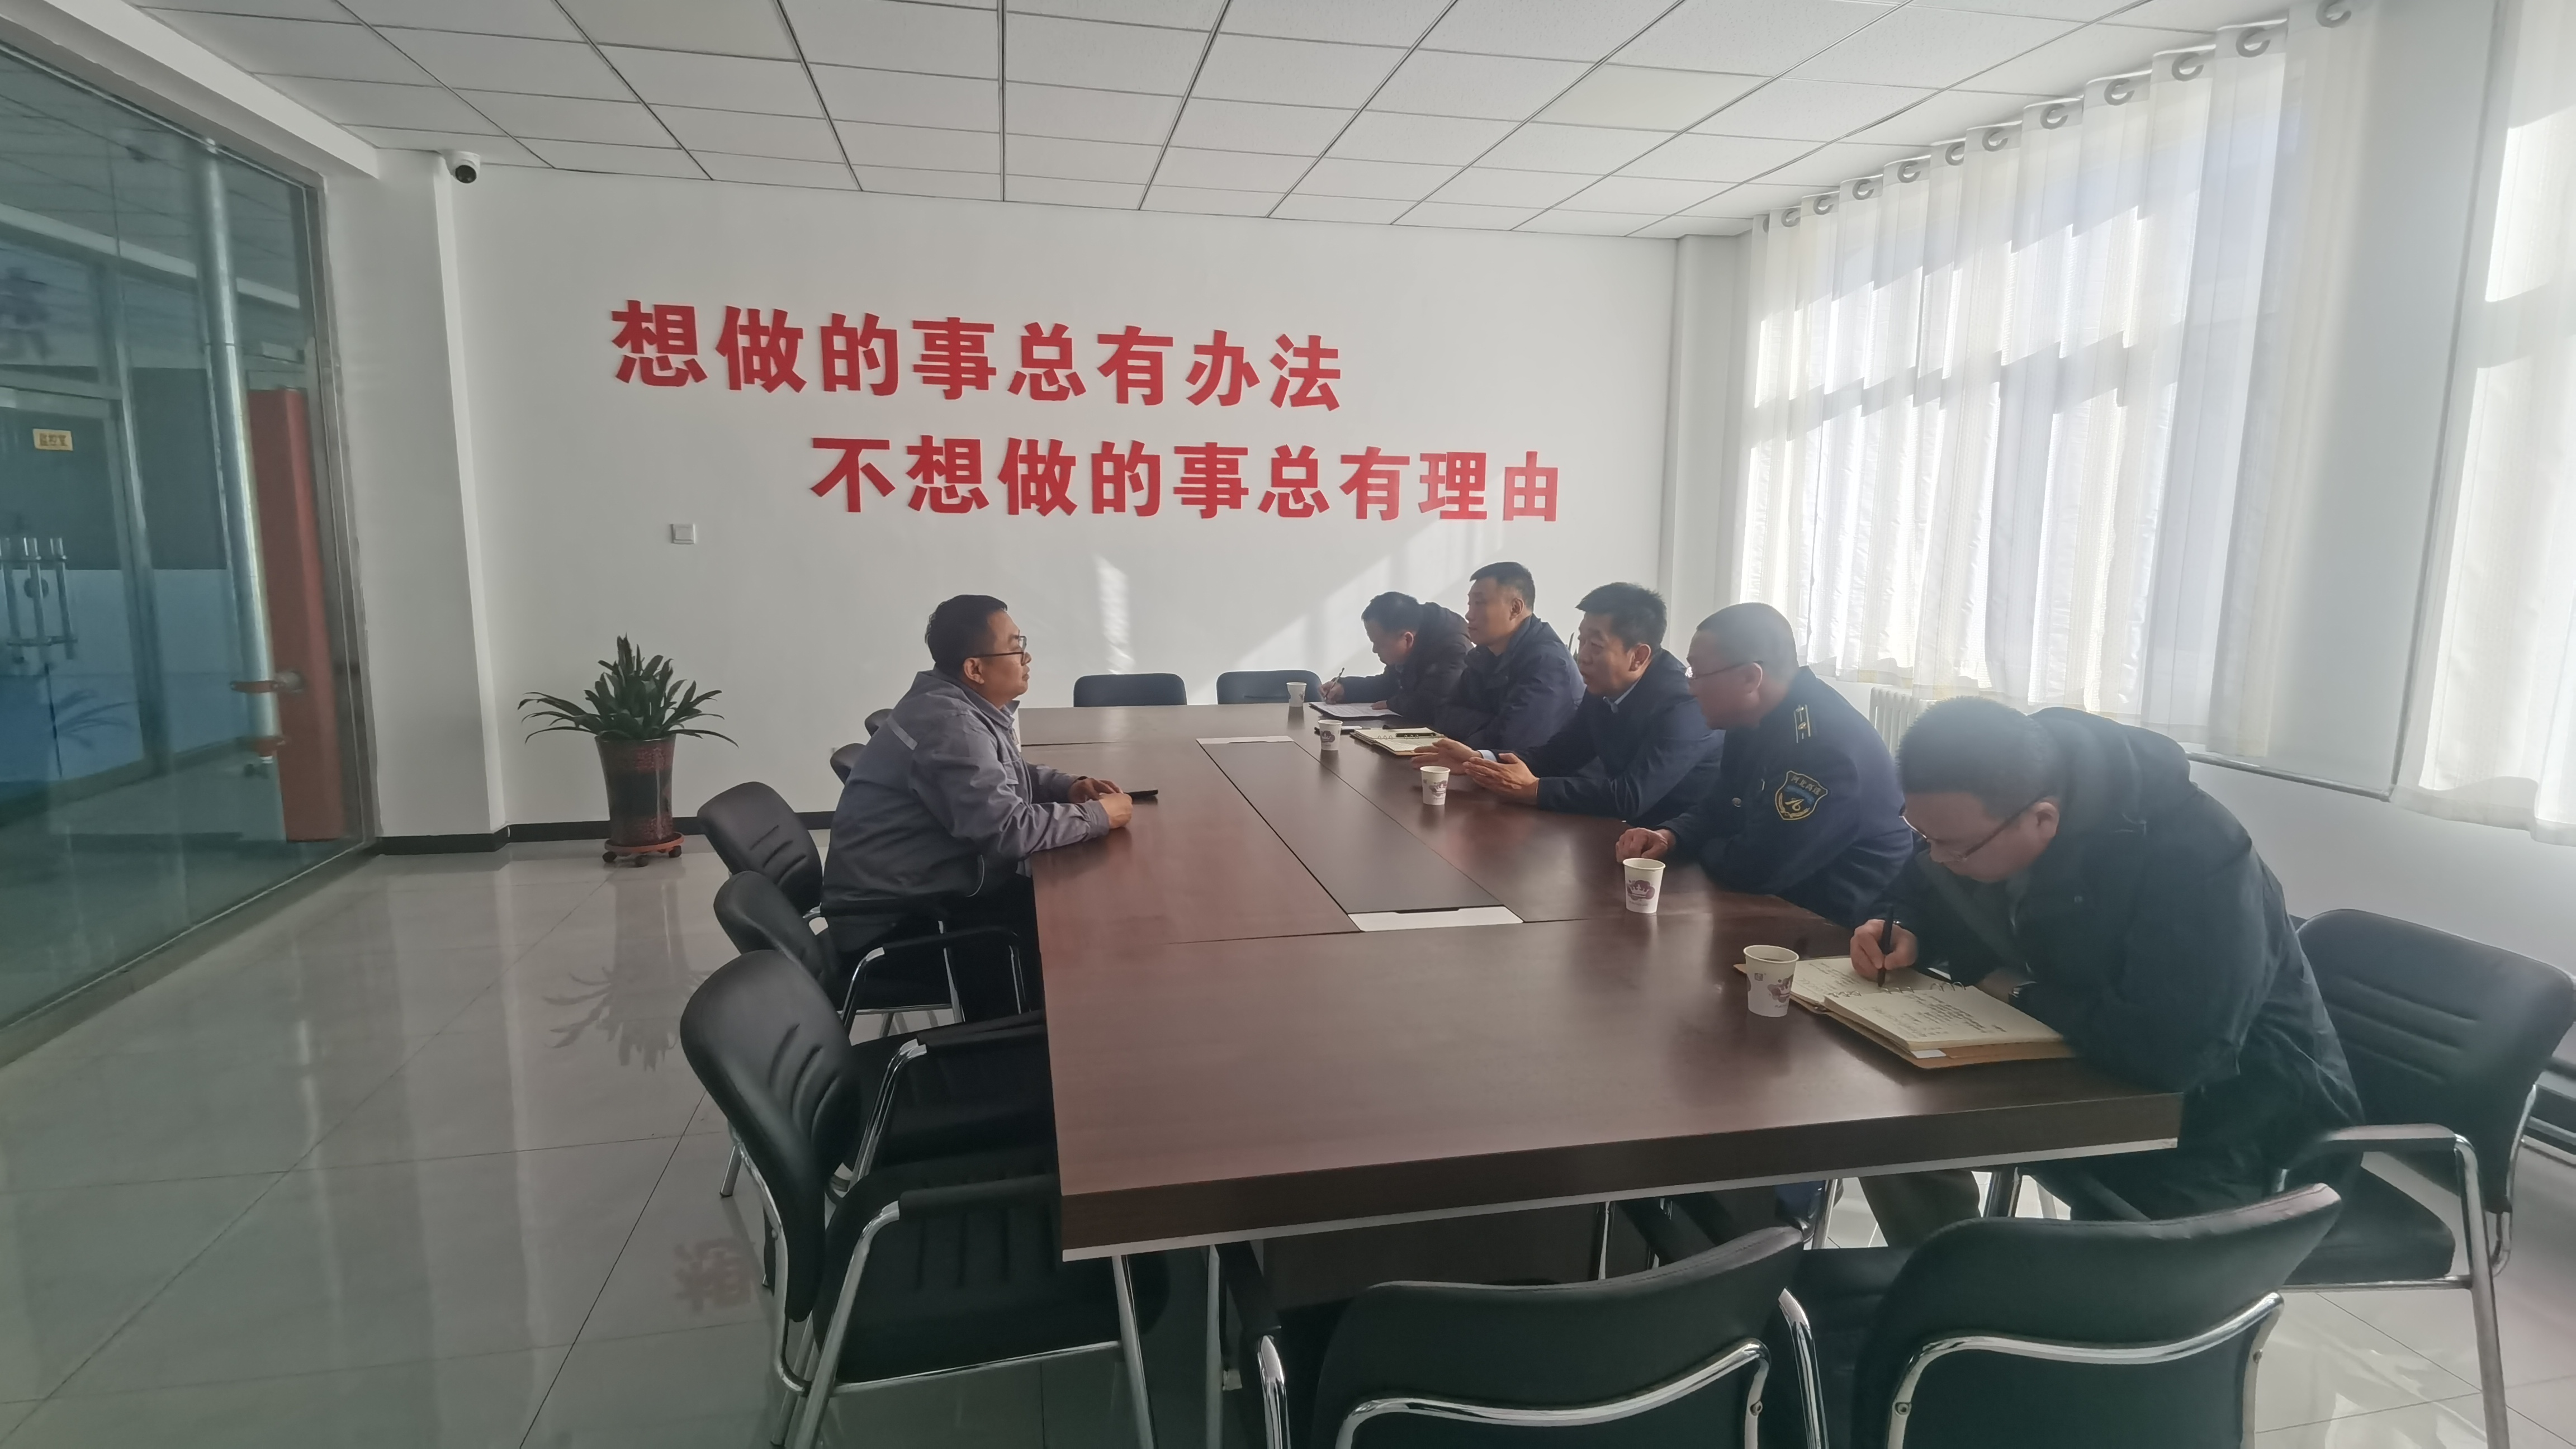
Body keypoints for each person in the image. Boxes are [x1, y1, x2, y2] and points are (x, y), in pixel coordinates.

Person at [1848, 697, 2362, 1243]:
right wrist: (1901, 924)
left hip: (2229, 1121)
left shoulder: (2197, 855)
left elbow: (2175, 1052)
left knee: (2130, 1280)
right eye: (1924, 836)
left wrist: (2017, 991)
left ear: (2042, 819)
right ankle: (1940, 1271)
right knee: (1885, 1125)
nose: (1936, 856)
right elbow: (1920, 886)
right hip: (2072, 1064)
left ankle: (1993, 1283)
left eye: (1951, 847)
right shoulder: (1984, 806)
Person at [823, 595, 1133, 968]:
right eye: (1015, 647)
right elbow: (1008, 832)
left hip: (925, 890)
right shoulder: (950, 724)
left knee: (1071, 899)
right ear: (975, 669)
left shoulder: (955, 704)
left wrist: (1066, 787)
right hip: (897, 924)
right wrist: (1099, 816)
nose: (1027, 658)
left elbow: (1001, 772)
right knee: (1073, 923)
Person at [1614, 603, 1912, 929]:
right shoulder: (1754, 716)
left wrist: (1707, 846)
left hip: (1835, 927)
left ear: (1749, 678)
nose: (1691, 687)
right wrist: (1671, 836)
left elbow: (1755, 869)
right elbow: (1721, 805)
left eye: (1698, 673)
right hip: (1773, 903)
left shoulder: (1821, 749)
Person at [1432, 583, 1720, 826]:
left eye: (1596, 646)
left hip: (1680, 843)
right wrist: (1480, 761)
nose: (1583, 657)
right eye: (1582, 641)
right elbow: (1559, 755)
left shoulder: (1684, 705)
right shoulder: (1603, 685)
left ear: (1638, 656)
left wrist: (1534, 790)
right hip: (1625, 832)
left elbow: (1631, 796)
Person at [1429, 561, 1583, 757]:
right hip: (1483, 766)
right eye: (1470, 604)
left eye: (1480, 603)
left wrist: (1482, 728)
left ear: (1515, 608)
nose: (1469, 615)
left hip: (1541, 774)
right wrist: (1492, 723)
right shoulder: (1484, 654)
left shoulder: (1548, 662)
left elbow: (1510, 744)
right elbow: (1443, 715)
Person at [1319, 591, 1469, 721]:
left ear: (1407, 639)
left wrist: (1393, 704)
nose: (1375, 650)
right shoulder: (1411, 633)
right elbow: (1390, 685)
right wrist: (1346, 689)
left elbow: (1432, 705)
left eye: (1380, 644)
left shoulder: (1453, 649)